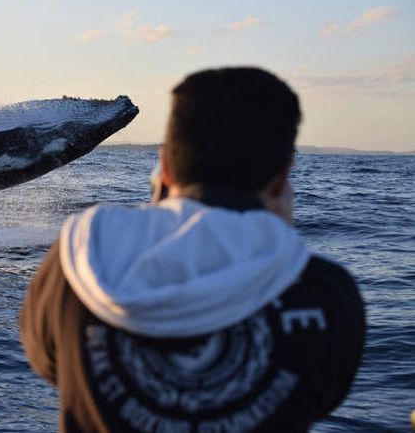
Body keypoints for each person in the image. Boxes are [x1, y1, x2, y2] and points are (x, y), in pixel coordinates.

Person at [19, 67, 365, 432]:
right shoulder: (325, 292)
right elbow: (324, 395)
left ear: (164, 166)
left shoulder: (79, 262)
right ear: (283, 177)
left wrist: (160, 211)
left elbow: (49, 363)